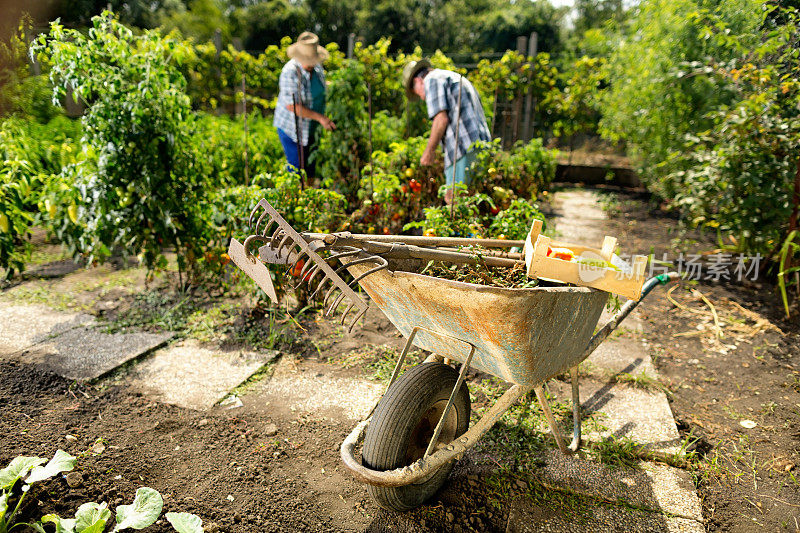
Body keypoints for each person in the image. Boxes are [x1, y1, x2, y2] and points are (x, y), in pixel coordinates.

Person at [402, 59, 491, 203]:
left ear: (418, 81)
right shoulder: (453, 77)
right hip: (480, 146)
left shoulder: (432, 80)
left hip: (463, 147)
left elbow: (441, 119)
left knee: (453, 200)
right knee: (472, 201)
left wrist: (429, 152)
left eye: (418, 94)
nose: (422, 98)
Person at [274, 32, 336, 180]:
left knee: (310, 165)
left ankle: (308, 197)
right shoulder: (290, 72)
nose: (312, 63)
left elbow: (320, 88)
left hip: (312, 127)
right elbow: (292, 106)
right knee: (297, 169)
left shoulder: (317, 68)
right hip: (293, 129)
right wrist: (320, 118)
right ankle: (296, 199)